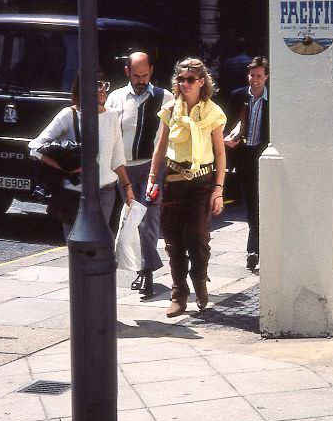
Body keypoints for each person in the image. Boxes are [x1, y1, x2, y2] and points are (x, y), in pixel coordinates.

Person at [147, 57, 227, 317]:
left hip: (202, 182)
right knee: (173, 240)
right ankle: (178, 293)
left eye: (190, 79)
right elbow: (160, 147)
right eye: (181, 79)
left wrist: (219, 189)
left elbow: (220, 153)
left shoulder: (212, 111)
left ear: (201, 82)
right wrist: (151, 178)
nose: (184, 84)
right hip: (173, 179)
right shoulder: (170, 109)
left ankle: (200, 281)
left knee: (198, 237)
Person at [29, 71, 134, 240]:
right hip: (74, 194)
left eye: (105, 85)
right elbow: (35, 147)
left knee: (97, 244)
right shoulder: (68, 115)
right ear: (84, 87)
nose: (104, 90)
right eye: (98, 85)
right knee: (76, 245)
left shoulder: (112, 116)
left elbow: (117, 158)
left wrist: (127, 187)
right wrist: (67, 168)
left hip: (105, 192)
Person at [106, 52, 172, 298]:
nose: (141, 80)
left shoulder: (165, 98)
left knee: (149, 218)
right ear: (127, 73)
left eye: (145, 75)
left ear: (151, 71)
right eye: (136, 75)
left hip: (153, 167)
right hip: (124, 168)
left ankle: (148, 272)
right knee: (132, 221)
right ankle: (141, 267)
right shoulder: (115, 98)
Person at [224, 55, 269, 271]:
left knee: (264, 203)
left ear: (266, 77)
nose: (255, 80)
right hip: (245, 157)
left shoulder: (274, 99)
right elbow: (227, 124)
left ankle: (258, 247)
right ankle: (254, 249)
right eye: (252, 75)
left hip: (266, 155)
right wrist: (228, 140)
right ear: (248, 75)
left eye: (260, 76)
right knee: (251, 204)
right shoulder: (237, 96)